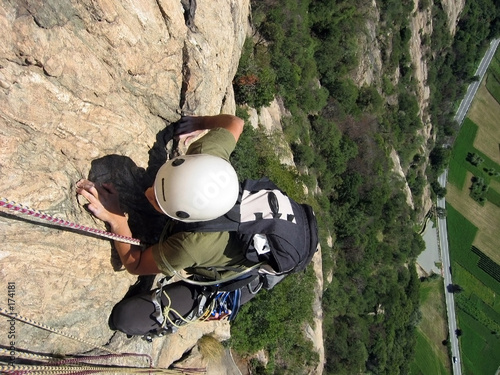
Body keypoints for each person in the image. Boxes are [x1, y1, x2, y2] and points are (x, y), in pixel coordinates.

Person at [76, 114, 261, 337]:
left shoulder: (192, 245)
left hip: (237, 276)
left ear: (185, 218)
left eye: (159, 201)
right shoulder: (206, 155)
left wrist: (116, 219)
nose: (147, 193)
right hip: (248, 226)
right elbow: (235, 123)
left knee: (126, 317)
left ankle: (210, 306)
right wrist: (198, 124)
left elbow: (134, 264)